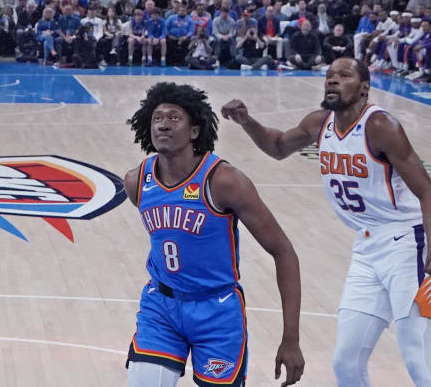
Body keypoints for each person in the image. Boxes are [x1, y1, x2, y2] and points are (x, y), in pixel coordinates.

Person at [221, 58, 431, 386]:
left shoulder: (380, 126)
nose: (332, 80)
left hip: (408, 241)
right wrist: (248, 122)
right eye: (329, 75)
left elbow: (426, 192)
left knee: (418, 353)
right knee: (346, 362)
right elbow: (277, 147)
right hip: (366, 248)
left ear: (364, 88)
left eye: (343, 75)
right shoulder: (320, 122)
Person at [123, 83, 304, 387]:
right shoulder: (137, 182)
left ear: (194, 131)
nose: (163, 124)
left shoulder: (224, 181)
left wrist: (291, 338)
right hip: (161, 307)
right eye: (157, 118)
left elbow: (283, 252)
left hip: (217, 311)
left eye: (174, 118)